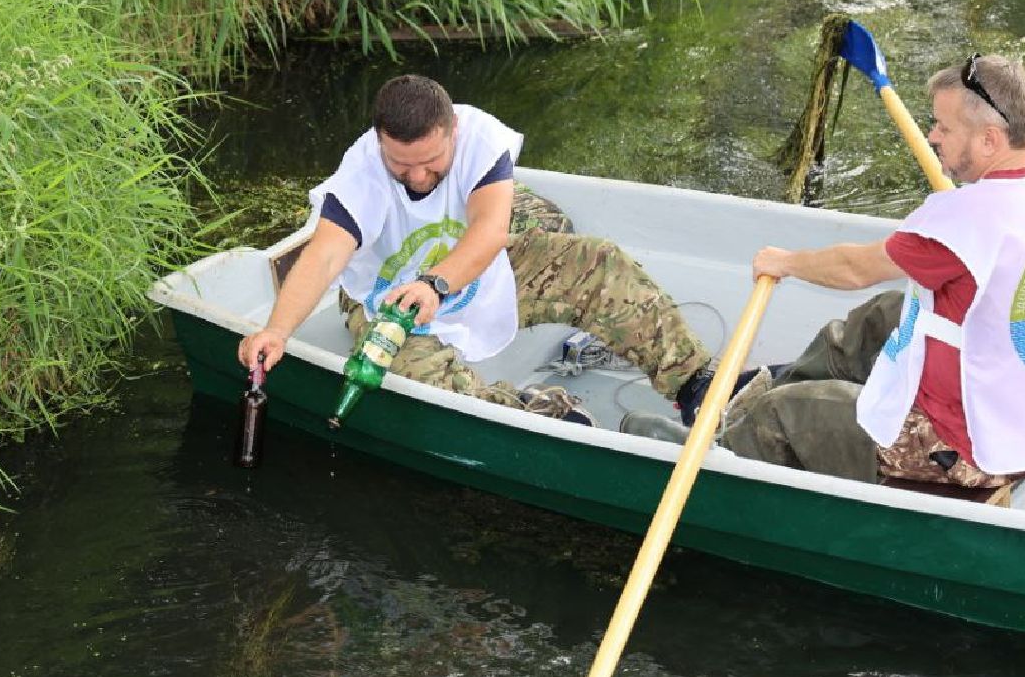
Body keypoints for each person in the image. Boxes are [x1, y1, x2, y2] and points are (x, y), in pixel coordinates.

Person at [720, 52, 1025, 487]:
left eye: (945, 127)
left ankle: (736, 441)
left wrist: (785, 262)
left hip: (967, 448)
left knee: (778, 416)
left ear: (989, 140)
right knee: (886, 313)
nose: (932, 136)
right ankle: (761, 388)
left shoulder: (966, 218)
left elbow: (854, 269)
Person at [237, 74, 746, 425]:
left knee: (598, 263)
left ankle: (691, 382)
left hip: (471, 273)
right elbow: (325, 255)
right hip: (384, 300)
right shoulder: (362, 170)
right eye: (401, 165)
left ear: (452, 129)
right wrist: (277, 330)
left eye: (431, 161)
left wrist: (436, 284)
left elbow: (488, 230)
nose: (417, 177)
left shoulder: (480, 136)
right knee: (409, 376)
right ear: (380, 142)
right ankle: (528, 411)